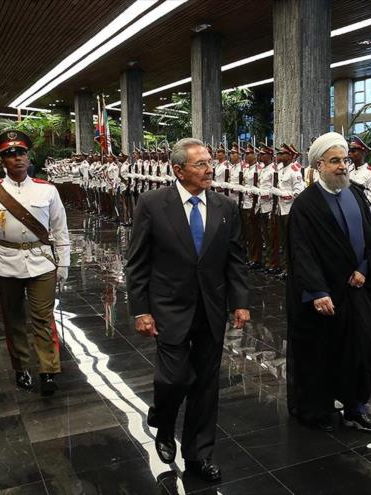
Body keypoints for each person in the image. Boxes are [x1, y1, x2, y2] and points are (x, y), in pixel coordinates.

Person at [126, 138, 250, 481]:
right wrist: (141, 310)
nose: (209, 169)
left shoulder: (226, 207)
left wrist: (240, 302)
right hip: (168, 307)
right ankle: (164, 424)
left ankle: (199, 455)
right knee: (173, 379)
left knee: (206, 386)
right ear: (178, 170)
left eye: (210, 162)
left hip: (211, 308)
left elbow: (235, 260)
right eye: (200, 164)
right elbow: (137, 263)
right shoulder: (152, 204)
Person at [286, 132, 371, 433]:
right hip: (326, 294)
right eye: (335, 161)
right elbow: (300, 252)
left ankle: (356, 407)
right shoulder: (306, 204)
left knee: (361, 349)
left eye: (344, 160)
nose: (342, 166)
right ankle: (317, 410)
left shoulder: (356, 193)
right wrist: (317, 291)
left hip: (356, 288)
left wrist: (365, 269)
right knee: (322, 353)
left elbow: (369, 240)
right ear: (319, 165)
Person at [0, 130, 71, 396]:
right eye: (9, 154)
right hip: (5, 262)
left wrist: (64, 263)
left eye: (21, 153)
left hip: (42, 261)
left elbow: (60, 229)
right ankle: (21, 368)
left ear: (28, 156)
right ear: (2, 161)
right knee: (13, 318)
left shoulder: (47, 190)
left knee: (43, 317)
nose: (17, 158)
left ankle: (48, 371)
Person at [271, 143, 305, 278]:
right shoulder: (281, 170)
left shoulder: (294, 171)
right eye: (279, 153)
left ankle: (291, 269)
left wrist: (280, 193)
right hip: (281, 209)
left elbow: (298, 193)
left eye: (282, 154)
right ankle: (285, 267)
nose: (279, 156)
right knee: (282, 241)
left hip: (290, 210)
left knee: (290, 241)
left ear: (290, 156)